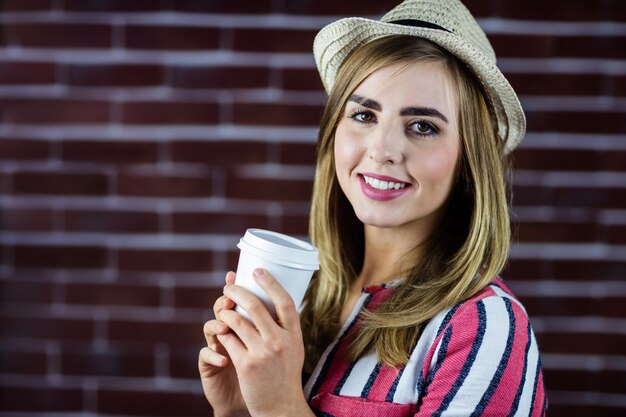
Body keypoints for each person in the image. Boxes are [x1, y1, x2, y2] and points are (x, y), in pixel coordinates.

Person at [199, 0, 547, 416]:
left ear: (470, 159)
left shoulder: (484, 328)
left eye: (423, 126)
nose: (382, 151)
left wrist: (279, 407)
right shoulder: (303, 300)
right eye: (364, 115)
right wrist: (239, 410)